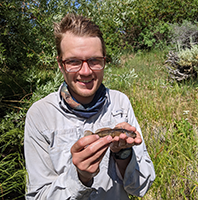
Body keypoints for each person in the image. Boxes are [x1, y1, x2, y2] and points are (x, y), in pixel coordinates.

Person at [24, 13, 155, 199]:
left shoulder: (121, 103)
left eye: (94, 60)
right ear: (60, 65)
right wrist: (79, 178)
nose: (85, 71)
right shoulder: (40, 115)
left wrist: (124, 154)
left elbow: (141, 188)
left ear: (104, 61)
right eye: (73, 62)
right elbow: (37, 197)